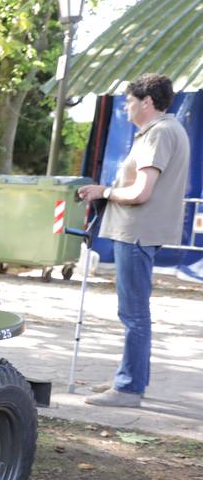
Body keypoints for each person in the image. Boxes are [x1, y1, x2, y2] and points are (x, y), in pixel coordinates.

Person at [76, 73, 191, 408]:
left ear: (147, 101)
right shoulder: (165, 131)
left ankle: (128, 389)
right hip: (141, 231)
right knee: (134, 312)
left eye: (129, 100)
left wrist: (104, 192)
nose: (125, 105)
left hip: (137, 231)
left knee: (134, 313)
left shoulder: (160, 133)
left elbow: (141, 192)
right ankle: (129, 378)